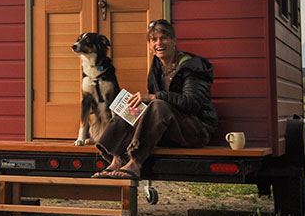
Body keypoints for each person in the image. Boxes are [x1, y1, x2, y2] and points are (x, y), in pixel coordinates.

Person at [92, 18, 218, 179]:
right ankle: (117, 158)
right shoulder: (157, 67)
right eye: (154, 39)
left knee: (158, 104)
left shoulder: (192, 67)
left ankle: (135, 163)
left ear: (174, 41)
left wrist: (153, 96)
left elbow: (191, 103)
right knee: (132, 105)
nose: (159, 43)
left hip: (197, 131)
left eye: (163, 38)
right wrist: (134, 104)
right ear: (150, 45)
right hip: (168, 131)